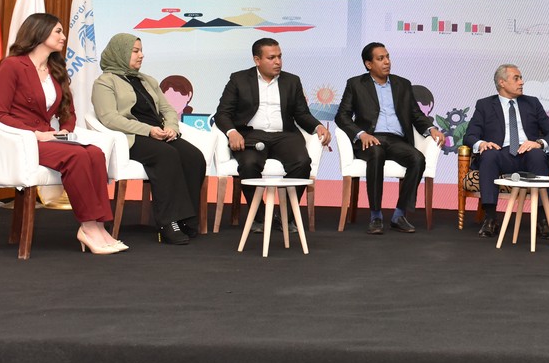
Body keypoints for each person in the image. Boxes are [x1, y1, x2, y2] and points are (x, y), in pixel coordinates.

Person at [0, 13, 122, 255]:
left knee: (95, 153)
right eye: (58, 31)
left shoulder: (55, 69)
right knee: (77, 157)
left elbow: (68, 112)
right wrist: (35, 134)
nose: (63, 36)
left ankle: (100, 227)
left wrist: (65, 132)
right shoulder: (13, 66)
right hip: (22, 141)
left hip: (48, 139)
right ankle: (88, 227)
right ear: (39, 32)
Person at [92, 34, 207, 245]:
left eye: (141, 50)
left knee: (194, 157)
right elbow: (109, 118)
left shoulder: (147, 80)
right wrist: (148, 130)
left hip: (158, 133)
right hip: (130, 137)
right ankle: (168, 222)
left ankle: (186, 218)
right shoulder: (104, 82)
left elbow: (167, 109)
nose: (141, 55)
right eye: (135, 51)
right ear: (120, 53)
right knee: (166, 155)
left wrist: (171, 127)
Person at [214, 38, 332, 231]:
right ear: (257, 60)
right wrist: (232, 132)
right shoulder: (238, 79)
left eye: (279, 56)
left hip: (284, 135)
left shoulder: (292, 81)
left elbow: (301, 114)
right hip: (251, 135)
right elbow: (222, 113)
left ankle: (286, 216)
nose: (278, 62)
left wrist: (317, 126)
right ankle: (259, 217)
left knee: (302, 163)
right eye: (271, 58)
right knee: (249, 164)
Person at [334, 42, 444, 234]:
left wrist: (430, 128)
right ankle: (376, 216)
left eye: (387, 57)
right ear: (369, 64)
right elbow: (341, 116)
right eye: (380, 58)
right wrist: (361, 134)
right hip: (369, 139)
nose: (387, 62)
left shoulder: (403, 84)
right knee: (376, 154)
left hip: (396, 140)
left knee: (418, 159)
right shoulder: (355, 84)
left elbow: (416, 114)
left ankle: (399, 215)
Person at [464, 64, 549, 239]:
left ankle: (542, 219)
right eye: (516, 78)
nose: (522, 82)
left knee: (537, 155)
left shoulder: (532, 103)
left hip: (527, 153)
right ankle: (490, 218)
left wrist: (539, 143)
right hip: (500, 154)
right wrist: (482, 143)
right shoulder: (485, 105)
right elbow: (470, 135)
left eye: (521, 78)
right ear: (502, 82)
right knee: (488, 155)